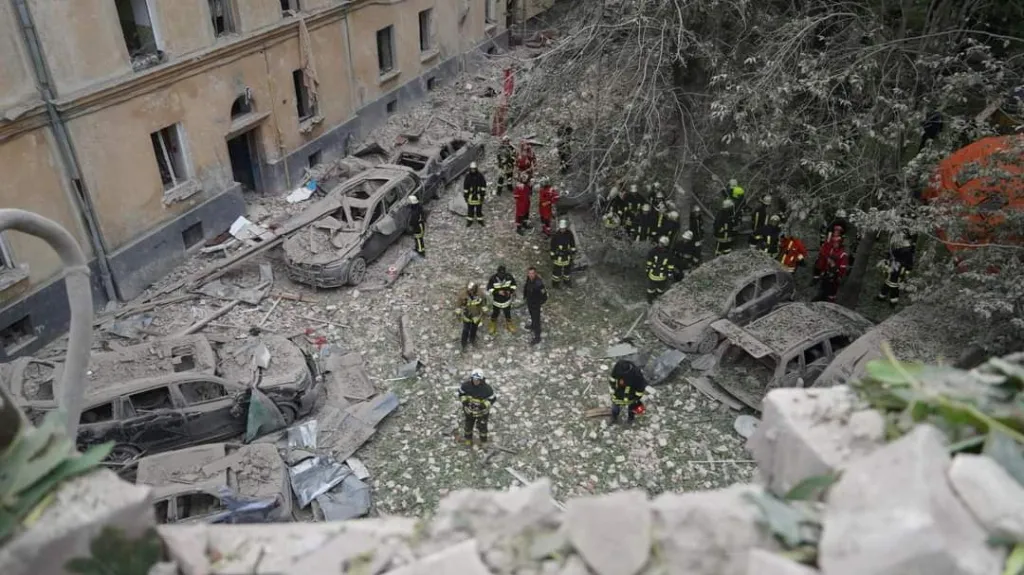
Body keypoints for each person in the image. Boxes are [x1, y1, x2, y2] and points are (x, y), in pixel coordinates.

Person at [458, 369, 496, 446]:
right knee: (468, 426)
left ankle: (483, 441)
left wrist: (483, 405)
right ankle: (468, 439)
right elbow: (461, 394)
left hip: (482, 413)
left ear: (481, 379)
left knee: (482, 428)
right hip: (469, 411)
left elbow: (492, 399)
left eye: (477, 380)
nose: (476, 381)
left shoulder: (487, 389)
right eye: (474, 379)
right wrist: (465, 402)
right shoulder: (466, 386)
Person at [877, 235, 915, 307]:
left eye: (905, 241)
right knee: (886, 285)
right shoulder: (899, 249)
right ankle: (881, 297)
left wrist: (904, 274)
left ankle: (893, 303)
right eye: (904, 240)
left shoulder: (909, 253)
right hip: (892, 270)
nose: (903, 242)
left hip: (899, 272)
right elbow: (891, 254)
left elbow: (909, 266)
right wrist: (888, 260)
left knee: (894, 288)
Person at [607, 359, 647, 426]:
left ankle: (630, 419)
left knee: (632, 406)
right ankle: (614, 417)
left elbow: (640, 388)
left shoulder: (636, 374)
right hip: (619, 391)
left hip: (631, 394)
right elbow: (613, 377)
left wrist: (636, 398)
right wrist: (613, 386)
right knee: (615, 404)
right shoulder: (619, 366)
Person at [814, 236, 849, 302]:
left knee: (831, 293)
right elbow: (826, 262)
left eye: (836, 243)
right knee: (822, 290)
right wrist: (823, 271)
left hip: (835, 276)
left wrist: (838, 275)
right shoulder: (831, 251)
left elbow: (843, 268)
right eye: (833, 243)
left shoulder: (843, 254)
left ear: (840, 244)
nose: (834, 244)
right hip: (827, 274)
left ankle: (830, 303)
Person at [487, 264, 517, 334]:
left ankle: (509, 324)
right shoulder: (493, 278)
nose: (501, 275)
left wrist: (510, 291)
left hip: (506, 300)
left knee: (507, 313)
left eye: (503, 273)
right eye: (500, 273)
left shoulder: (509, 277)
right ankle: (492, 324)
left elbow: (514, 285)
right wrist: (498, 292)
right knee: (495, 313)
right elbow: (489, 289)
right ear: (497, 272)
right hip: (497, 301)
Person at [456, 282, 485, 351]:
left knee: (474, 329)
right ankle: (464, 344)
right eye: (469, 290)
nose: (470, 291)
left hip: (476, 315)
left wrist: (484, 313)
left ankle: (472, 340)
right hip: (467, 315)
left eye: (471, 290)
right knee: (466, 330)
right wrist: (458, 315)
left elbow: (483, 304)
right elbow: (458, 306)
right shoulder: (462, 295)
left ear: (475, 289)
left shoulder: (480, 294)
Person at [646, 236, 675, 303]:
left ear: (665, 245)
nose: (660, 244)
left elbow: (671, 264)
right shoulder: (653, 251)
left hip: (663, 274)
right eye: (659, 243)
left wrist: (670, 273)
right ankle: (650, 299)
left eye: (662, 243)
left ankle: (658, 298)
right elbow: (649, 261)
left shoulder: (669, 253)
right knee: (651, 288)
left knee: (660, 289)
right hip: (653, 273)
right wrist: (647, 269)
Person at [523, 267, 548, 345]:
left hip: (535, 304)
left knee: (536, 319)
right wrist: (525, 296)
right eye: (529, 273)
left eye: (532, 273)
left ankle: (537, 337)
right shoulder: (528, 279)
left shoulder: (538, 283)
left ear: (535, 273)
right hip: (530, 301)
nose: (531, 275)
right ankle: (532, 326)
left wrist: (539, 303)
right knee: (532, 315)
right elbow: (527, 287)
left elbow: (544, 295)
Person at [550, 219, 577, 288]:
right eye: (561, 229)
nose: (562, 230)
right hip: (558, 256)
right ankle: (555, 283)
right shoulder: (556, 235)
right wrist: (552, 255)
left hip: (567, 255)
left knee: (567, 270)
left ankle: (566, 281)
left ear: (566, 228)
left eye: (564, 229)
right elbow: (552, 245)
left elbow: (572, 243)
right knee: (557, 271)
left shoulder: (569, 234)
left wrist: (573, 250)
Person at [463, 162, 487, 227]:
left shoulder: (480, 176)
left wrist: (482, 195)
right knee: (470, 210)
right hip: (470, 197)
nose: (473, 170)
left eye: (474, 169)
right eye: (472, 169)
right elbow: (465, 187)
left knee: (479, 210)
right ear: (470, 169)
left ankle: (480, 220)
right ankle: (469, 221)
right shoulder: (468, 176)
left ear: (476, 168)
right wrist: (465, 196)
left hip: (478, 196)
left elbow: (483, 186)